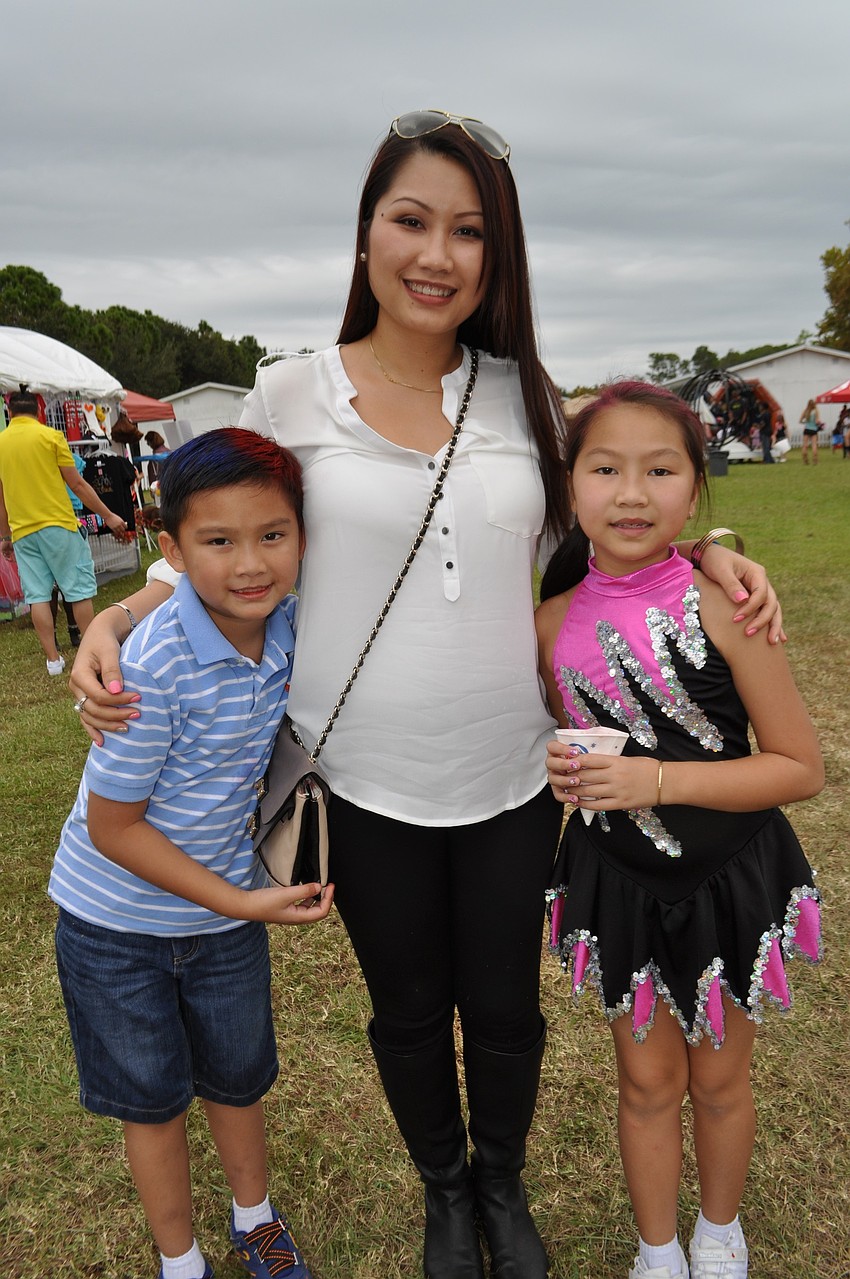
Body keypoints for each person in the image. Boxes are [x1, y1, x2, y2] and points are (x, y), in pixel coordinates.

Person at [69, 112, 783, 1279]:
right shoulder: (290, 392)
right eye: (410, 221)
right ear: (366, 238)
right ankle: (444, 1193)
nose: (435, 254)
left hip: (514, 773)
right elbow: (209, 539)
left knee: (505, 1011)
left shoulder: (524, 398)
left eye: (467, 232)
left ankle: (501, 1186)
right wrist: (117, 613)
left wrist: (716, 550)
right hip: (358, 780)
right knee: (405, 1010)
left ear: (494, 260)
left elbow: (616, 523)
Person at [536, 382, 823, 1279]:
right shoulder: (544, 622)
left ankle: (718, 1235)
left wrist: (656, 778)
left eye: (660, 470)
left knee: (720, 1079)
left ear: (694, 489)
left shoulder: (727, 604)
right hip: (618, 882)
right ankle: (657, 1248)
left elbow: (800, 766)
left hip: (727, 879)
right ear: (570, 487)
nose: (631, 494)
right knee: (647, 1082)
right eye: (605, 469)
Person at [51, 428, 334, 1279]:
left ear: (301, 539)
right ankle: (181, 1258)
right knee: (151, 1098)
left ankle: (258, 1219)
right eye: (218, 541)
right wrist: (242, 903)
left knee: (238, 1076)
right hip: (117, 924)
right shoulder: (155, 666)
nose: (250, 564)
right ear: (172, 550)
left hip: (221, 913)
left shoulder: (286, 621)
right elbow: (115, 827)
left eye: (272, 536)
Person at [0, 387, 127, 674]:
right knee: (78, 590)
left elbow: (2, 495)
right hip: (58, 524)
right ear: (40, 412)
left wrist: (5, 536)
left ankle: (53, 660)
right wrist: (108, 516)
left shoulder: (1, 443)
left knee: (38, 597)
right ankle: (91, 651)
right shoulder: (51, 436)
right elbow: (78, 485)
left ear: (9, 414)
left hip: (22, 532)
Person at [799, 398, 821, 464]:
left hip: (807, 429)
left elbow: (800, 420)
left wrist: (805, 422)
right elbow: (817, 421)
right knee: (814, 445)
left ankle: (805, 460)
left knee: (805, 445)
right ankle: (815, 460)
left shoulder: (805, 411)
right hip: (814, 430)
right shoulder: (816, 411)